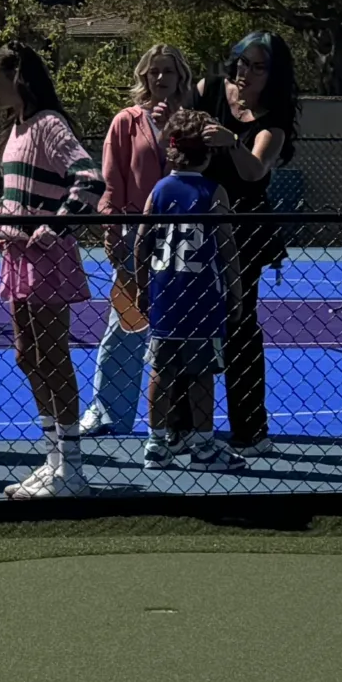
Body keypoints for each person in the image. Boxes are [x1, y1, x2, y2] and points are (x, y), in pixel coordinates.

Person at [0, 43, 104, 498]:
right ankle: (53, 461)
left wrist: (56, 226)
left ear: (17, 76)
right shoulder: (15, 129)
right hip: (17, 256)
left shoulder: (50, 124)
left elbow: (89, 179)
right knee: (27, 355)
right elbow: (13, 194)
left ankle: (71, 470)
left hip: (47, 259)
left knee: (53, 356)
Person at [80, 43, 194, 438]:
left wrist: (171, 132)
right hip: (136, 234)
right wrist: (111, 229)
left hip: (183, 237)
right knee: (125, 325)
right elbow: (112, 181)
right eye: (154, 71)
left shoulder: (191, 123)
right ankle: (107, 412)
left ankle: (178, 420)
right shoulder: (125, 122)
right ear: (144, 76)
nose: (161, 78)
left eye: (168, 71)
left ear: (180, 77)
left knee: (181, 327)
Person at [197, 31, 299, 456]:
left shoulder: (273, 121)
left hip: (244, 231)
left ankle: (250, 429)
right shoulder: (209, 90)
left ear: (273, 74)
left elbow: (255, 170)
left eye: (259, 67)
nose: (246, 73)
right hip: (198, 222)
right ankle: (186, 425)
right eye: (243, 62)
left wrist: (231, 142)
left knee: (239, 324)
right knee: (190, 325)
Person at [132, 108, 245, 470]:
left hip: (166, 295)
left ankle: (155, 443)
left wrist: (141, 286)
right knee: (202, 375)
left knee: (161, 371)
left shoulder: (159, 190)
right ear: (208, 153)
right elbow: (227, 247)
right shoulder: (213, 191)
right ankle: (203, 445)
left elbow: (141, 242)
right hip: (202, 299)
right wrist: (236, 292)